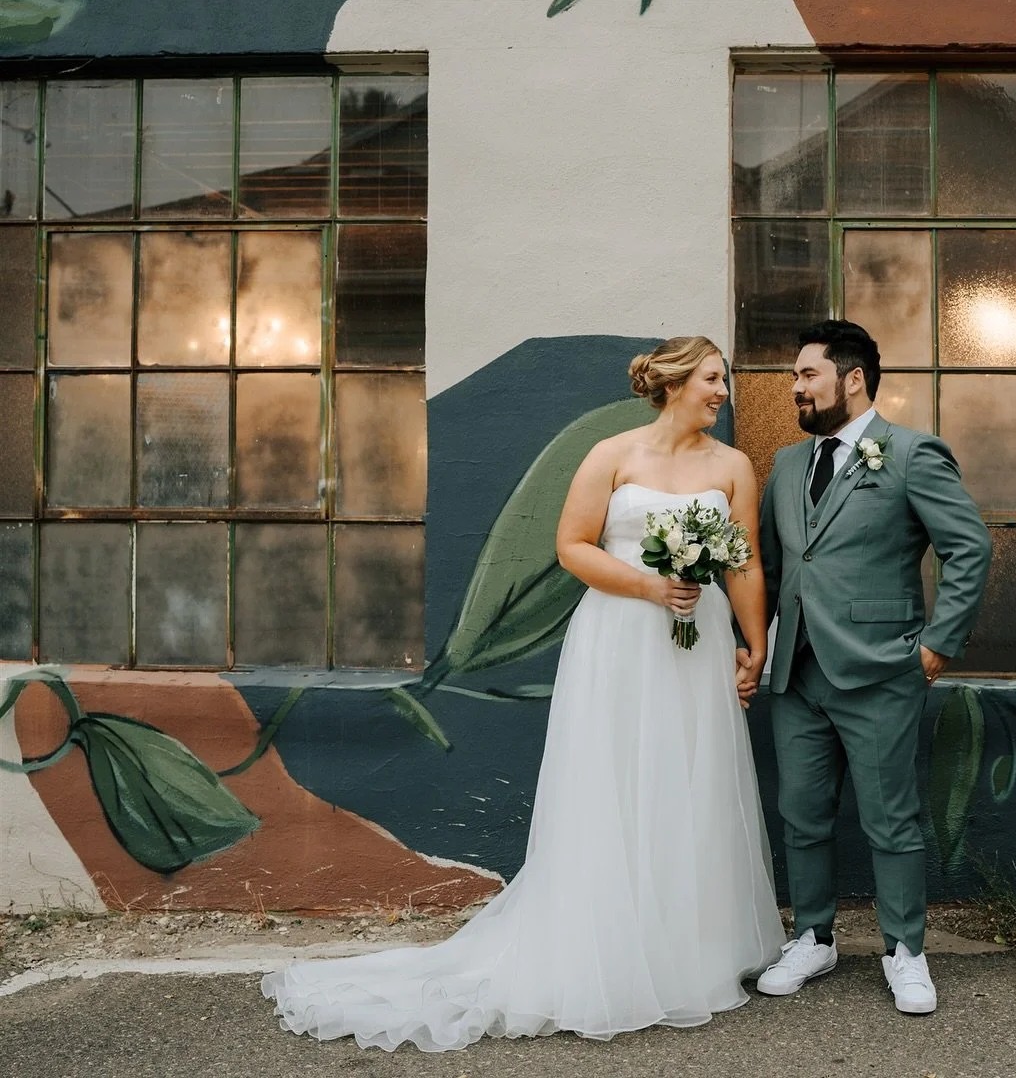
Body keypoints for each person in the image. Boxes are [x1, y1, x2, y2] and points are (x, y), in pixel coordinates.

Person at [261, 336, 784, 1050]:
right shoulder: (612, 454)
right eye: (713, 379)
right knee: (617, 780)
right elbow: (573, 546)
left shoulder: (733, 466)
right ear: (671, 383)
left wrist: (754, 645)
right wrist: (649, 585)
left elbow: (745, 559)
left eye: (722, 380)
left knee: (688, 779)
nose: (723, 392)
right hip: (621, 639)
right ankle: (610, 943)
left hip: (698, 643)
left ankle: (691, 948)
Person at [743, 319, 991, 1015]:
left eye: (807, 375)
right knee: (802, 814)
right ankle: (814, 937)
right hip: (797, 673)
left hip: (882, 669)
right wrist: (755, 645)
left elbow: (968, 548)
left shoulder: (911, 454)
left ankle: (906, 951)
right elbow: (768, 563)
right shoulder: (788, 465)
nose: (796, 388)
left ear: (853, 379)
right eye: (795, 377)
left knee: (893, 820)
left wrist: (937, 643)